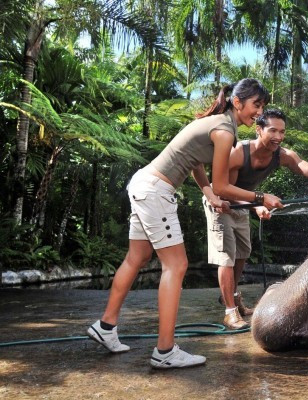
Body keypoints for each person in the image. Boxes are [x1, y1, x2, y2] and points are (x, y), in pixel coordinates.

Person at [87, 79, 284, 369]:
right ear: (238, 102)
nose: (259, 112)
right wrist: (260, 197)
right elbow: (222, 185)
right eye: (257, 105)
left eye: (263, 106)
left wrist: (207, 192)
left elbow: (195, 162)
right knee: (176, 265)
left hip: (144, 183)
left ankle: (106, 327)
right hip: (156, 190)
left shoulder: (217, 123)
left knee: (138, 257)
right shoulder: (224, 130)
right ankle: (165, 351)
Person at [200, 108, 308, 330]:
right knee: (226, 256)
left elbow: (307, 168)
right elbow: (222, 190)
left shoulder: (282, 155)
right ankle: (230, 311)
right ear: (259, 130)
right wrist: (257, 205)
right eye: (273, 130)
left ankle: (233, 297)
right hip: (220, 203)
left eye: (282, 132)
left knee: (243, 252)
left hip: (247, 202)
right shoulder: (237, 153)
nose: (278, 137)